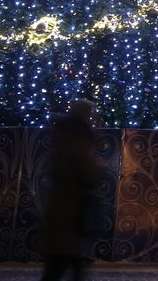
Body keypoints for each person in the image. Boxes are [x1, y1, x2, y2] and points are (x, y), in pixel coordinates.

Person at [40, 99, 100, 281]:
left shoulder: (62, 139)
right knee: (63, 263)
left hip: (62, 209)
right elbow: (89, 174)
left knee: (62, 263)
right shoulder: (79, 140)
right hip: (72, 211)